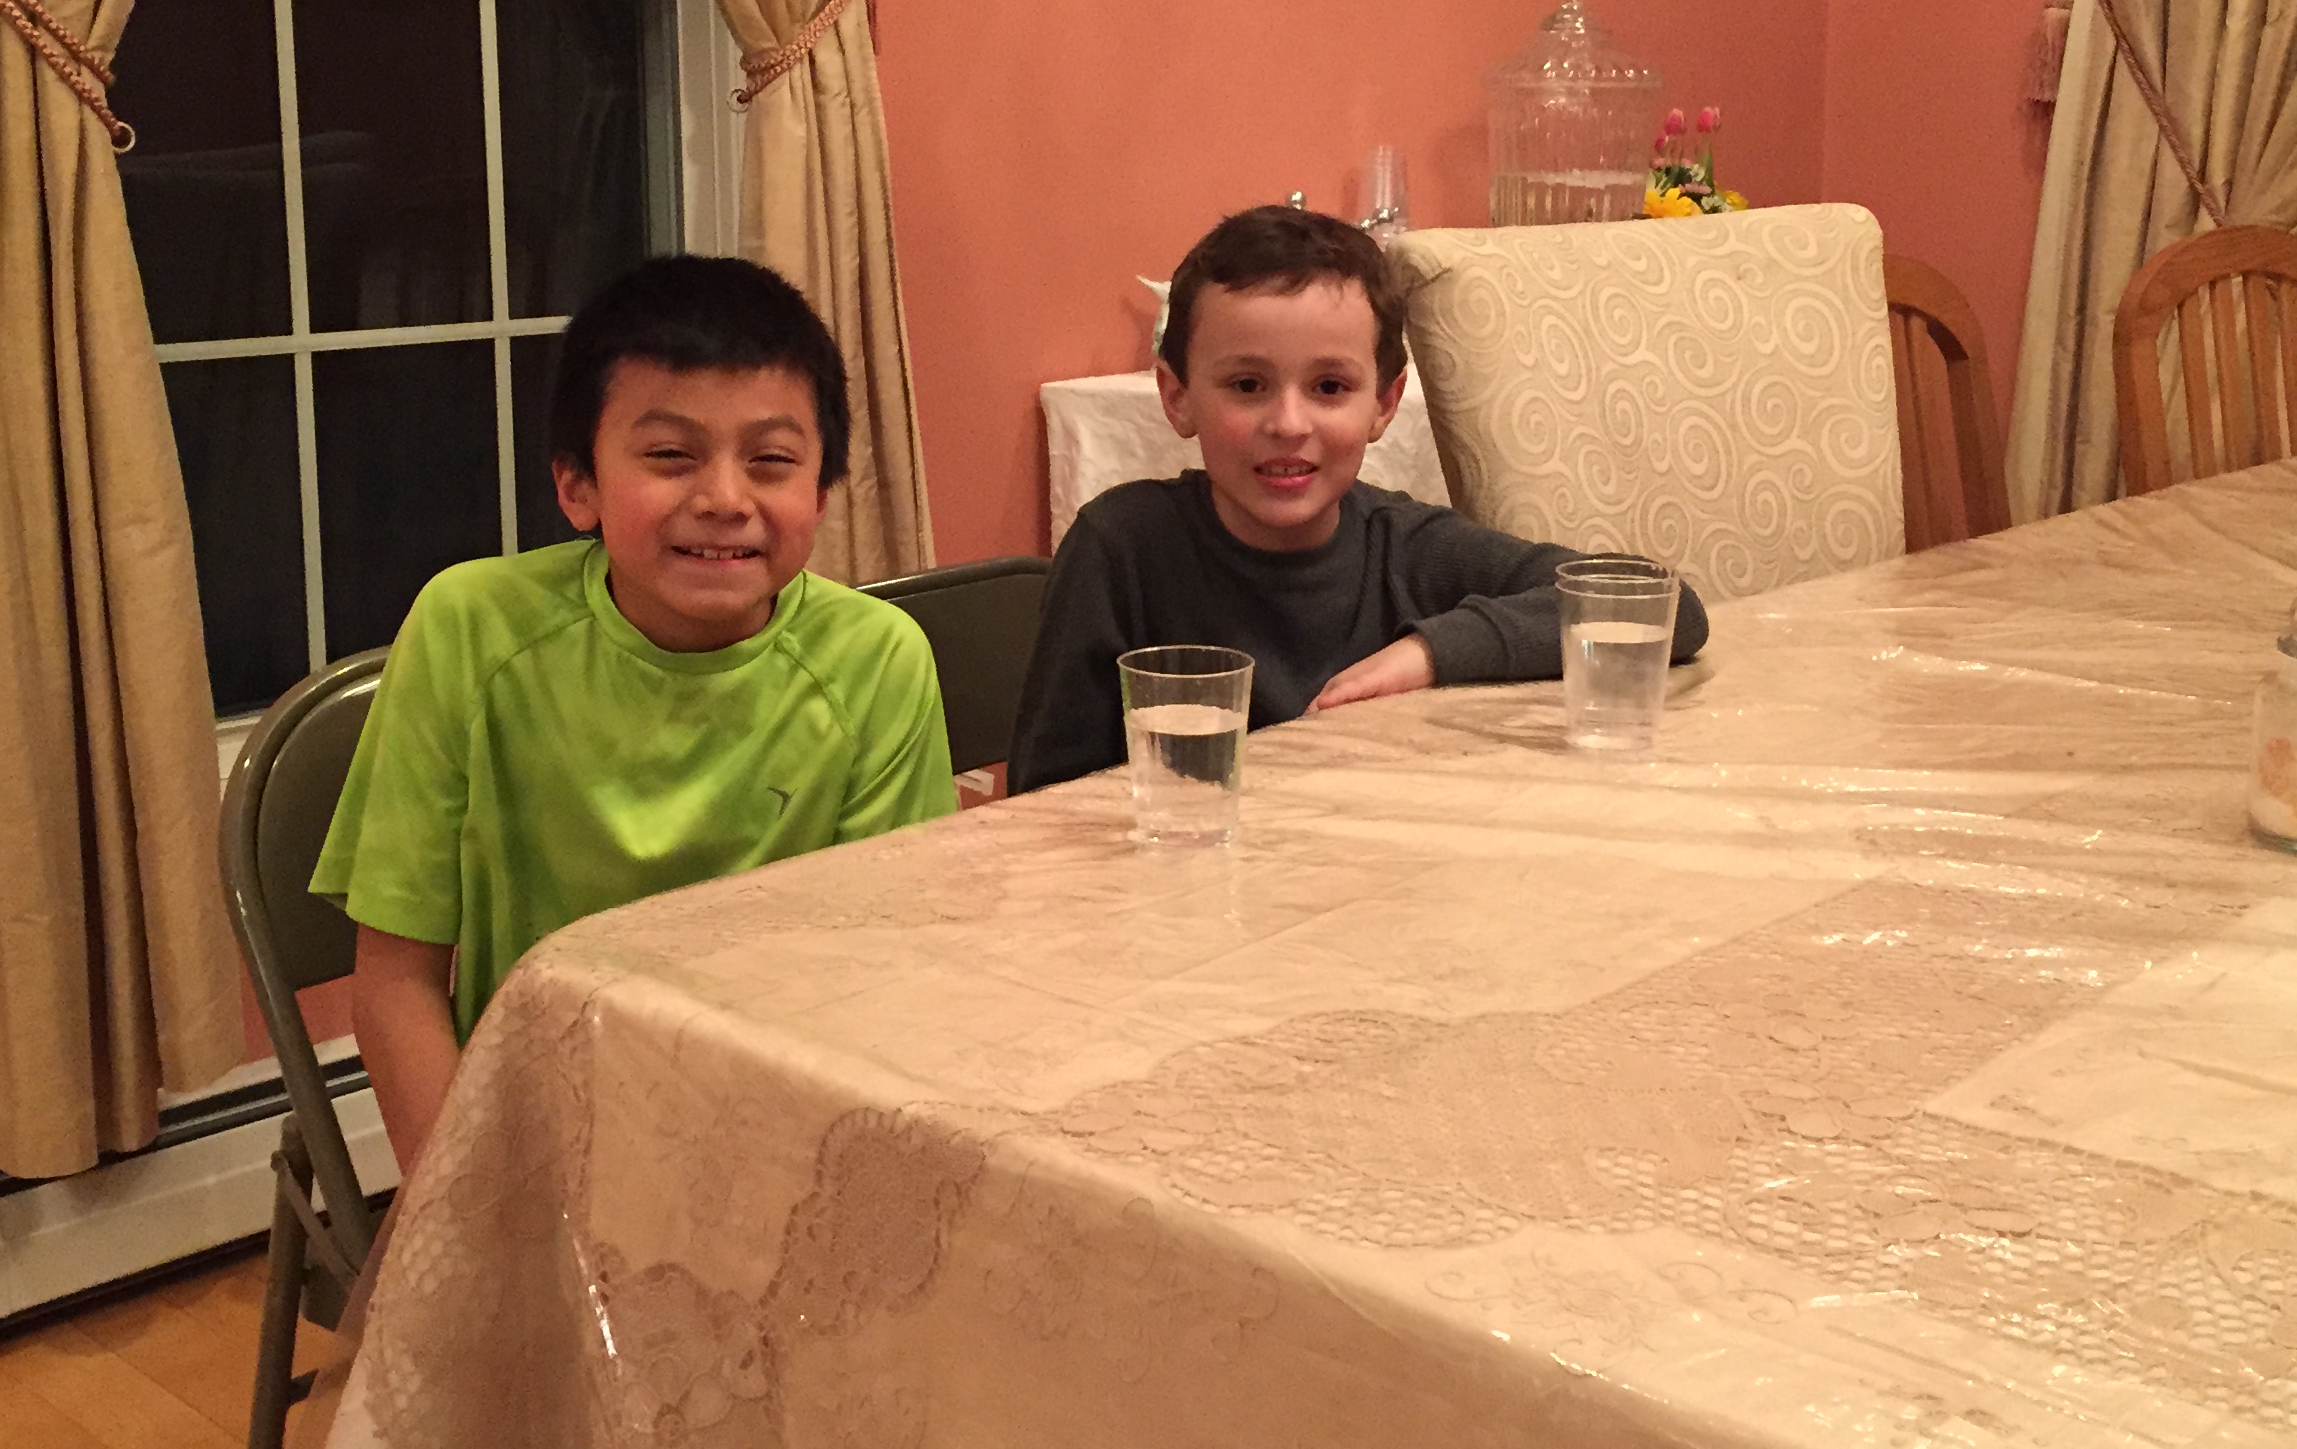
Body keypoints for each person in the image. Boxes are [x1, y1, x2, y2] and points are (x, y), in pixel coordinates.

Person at [319, 255, 956, 1174]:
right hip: (532, 1134)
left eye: (772, 462)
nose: (725, 499)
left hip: (785, 1128)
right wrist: (465, 1207)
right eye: (670, 456)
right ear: (577, 485)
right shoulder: (470, 630)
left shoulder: (877, 661)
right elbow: (397, 985)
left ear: (820, 494)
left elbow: (882, 976)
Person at [1008, 206, 1709, 793]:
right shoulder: (1120, 550)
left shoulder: (1410, 548)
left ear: (1384, 403)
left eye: (1329, 388)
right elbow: (1043, 804)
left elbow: (1666, 608)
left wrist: (1429, 652)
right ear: (1177, 396)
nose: (1289, 424)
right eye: (1247, 386)